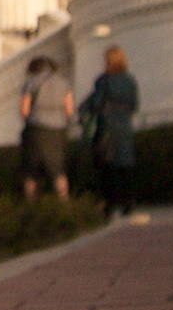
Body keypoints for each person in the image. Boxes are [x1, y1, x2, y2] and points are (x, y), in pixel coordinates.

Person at [81, 45, 141, 220]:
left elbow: (97, 103)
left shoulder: (104, 80)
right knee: (126, 166)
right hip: (125, 126)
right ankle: (129, 203)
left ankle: (110, 205)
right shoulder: (130, 80)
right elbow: (135, 105)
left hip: (107, 127)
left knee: (107, 167)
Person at [18, 55, 73, 200]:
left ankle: (31, 204)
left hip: (36, 129)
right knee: (58, 170)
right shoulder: (63, 83)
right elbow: (69, 110)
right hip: (58, 129)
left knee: (31, 171)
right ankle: (64, 202)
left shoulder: (31, 82)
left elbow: (24, 110)